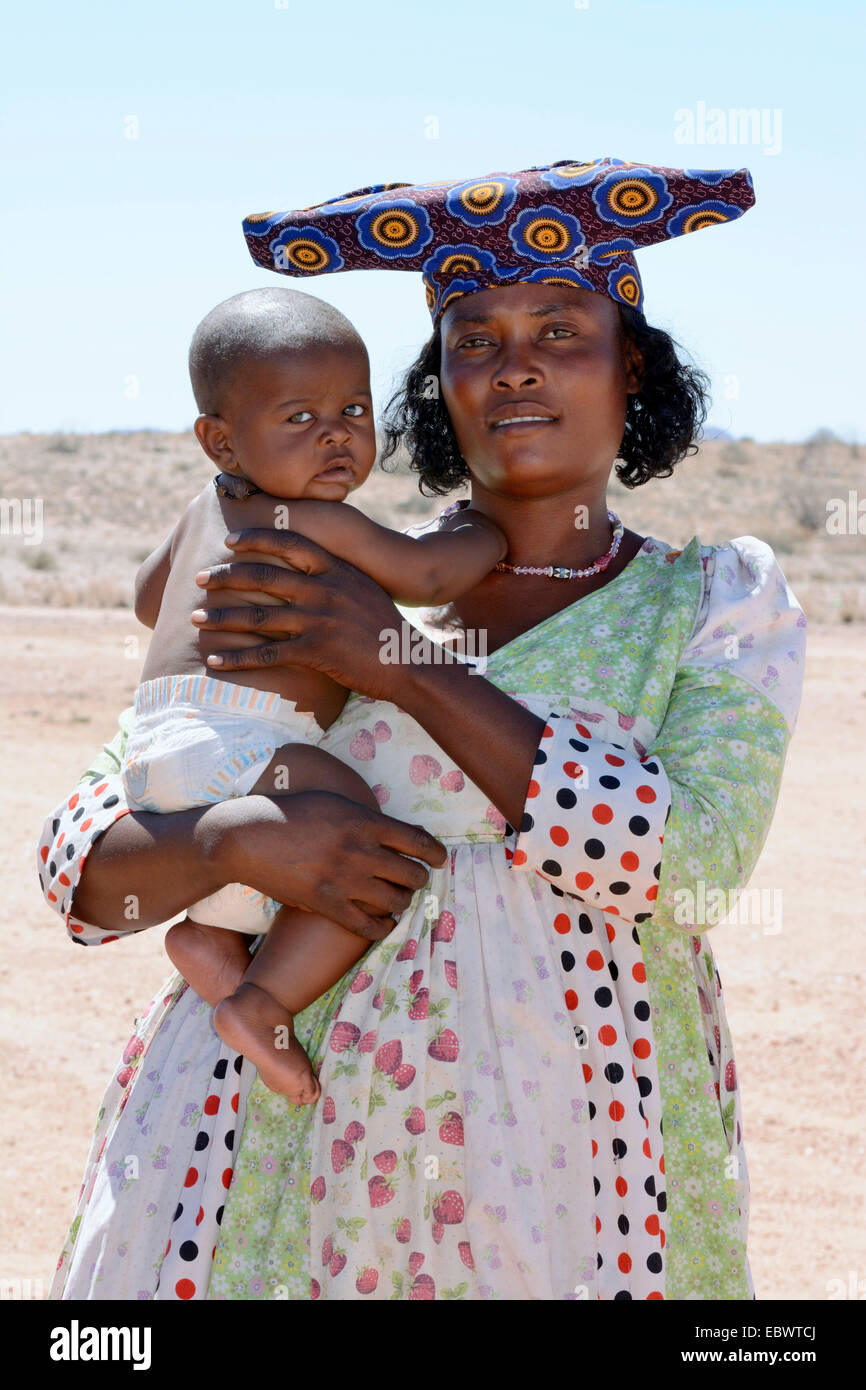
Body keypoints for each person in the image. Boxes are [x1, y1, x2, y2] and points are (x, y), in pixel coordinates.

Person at [38, 158, 805, 1300]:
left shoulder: (711, 601)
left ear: (629, 361)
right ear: (435, 380)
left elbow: (686, 862)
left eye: (560, 327)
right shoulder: (325, 567)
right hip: (254, 1156)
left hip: (560, 1168)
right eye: (474, 339)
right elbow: (87, 864)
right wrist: (226, 847)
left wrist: (395, 662)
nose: (516, 367)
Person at [120, 285, 505, 1102]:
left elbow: (149, 599)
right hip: (244, 737)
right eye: (298, 419)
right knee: (358, 836)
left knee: (301, 830)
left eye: (354, 411)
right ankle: (264, 1003)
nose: (335, 434)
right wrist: (479, 531)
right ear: (220, 440)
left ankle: (215, 943)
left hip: (156, 745)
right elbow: (424, 574)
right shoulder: (308, 519)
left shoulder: (208, 507)